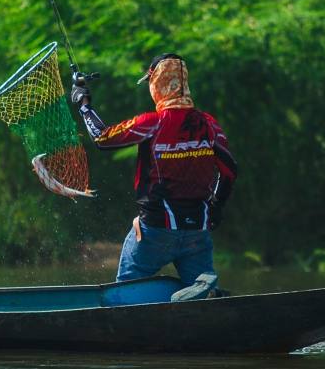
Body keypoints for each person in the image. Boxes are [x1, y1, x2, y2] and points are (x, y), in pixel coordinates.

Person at [71, 53, 237, 301]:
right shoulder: (209, 125)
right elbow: (229, 171)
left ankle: (129, 319)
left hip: (155, 231)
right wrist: (216, 206)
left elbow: (102, 138)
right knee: (203, 298)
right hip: (197, 231)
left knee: (126, 293)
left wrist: (84, 104)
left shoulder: (153, 123)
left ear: (156, 85)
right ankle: (209, 303)